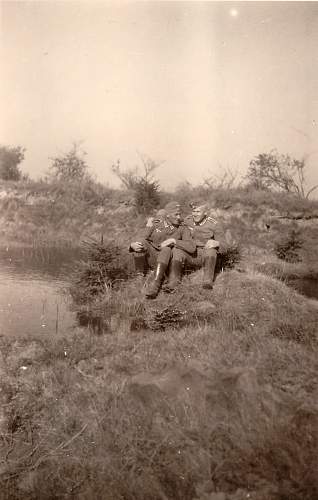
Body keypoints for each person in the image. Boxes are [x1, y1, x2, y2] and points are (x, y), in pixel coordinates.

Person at [129, 201, 195, 298]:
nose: (178, 217)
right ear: (167, 215)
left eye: (180, 214)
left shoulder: (183, 227)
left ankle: (155, 284)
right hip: (154, 257)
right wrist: (132, 245)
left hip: (169, 262)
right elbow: (142, 236)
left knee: (167, 249)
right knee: (141, 242)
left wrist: (173, 241)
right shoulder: (156, 223)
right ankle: (139, 275)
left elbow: (191, 247)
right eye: (176, 214)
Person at [166, 201, 219, 290]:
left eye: (198, 212)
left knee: (212, 250)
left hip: (205, 256)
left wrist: (217, 243)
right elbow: (172, 219)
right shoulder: (187, 220)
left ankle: (207, 281)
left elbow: (226, 244)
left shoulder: (214, 224)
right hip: (190, 254)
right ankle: (173, 282)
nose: (195, 214)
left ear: (205, 213)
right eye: (193, 211)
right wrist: (155, 221)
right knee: (177, 250)